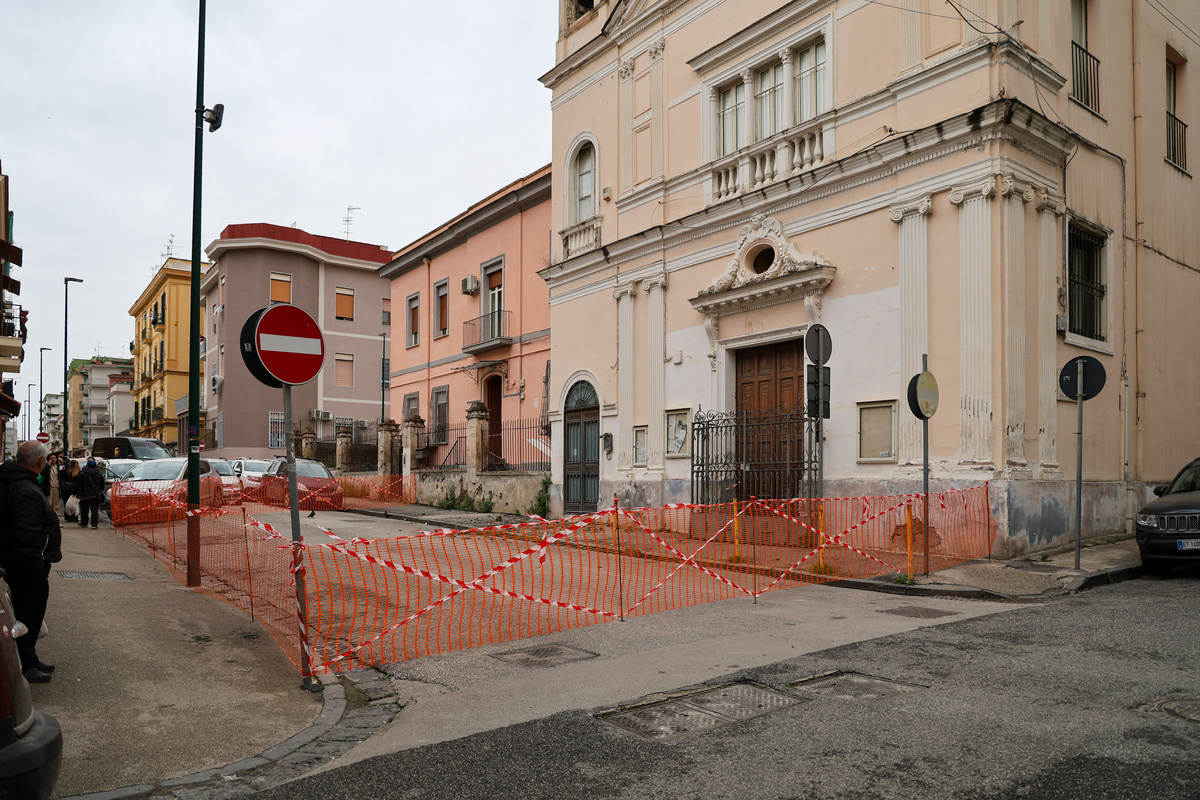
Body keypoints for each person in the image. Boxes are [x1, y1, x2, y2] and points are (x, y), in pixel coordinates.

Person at [0, 441, 62, 683]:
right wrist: (37, 565)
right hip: (26, 565)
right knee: (29, 613)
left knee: (27, 612)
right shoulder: (24, 489)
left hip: (18, 561)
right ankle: (26, 663)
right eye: (45, 459)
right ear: (40, 462)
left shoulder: (15, 482)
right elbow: (26, 534)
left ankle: (30, 657)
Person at [77, 458, 105, 529]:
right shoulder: (99, 473)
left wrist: (77, 492)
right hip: (95, 494)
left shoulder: (82, 473)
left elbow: (78, 484)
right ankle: (94, 524)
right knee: (94, 509)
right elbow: (102, 484)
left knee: (84, 509)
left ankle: (84, 523)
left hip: (84, 494)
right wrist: (99, 490)